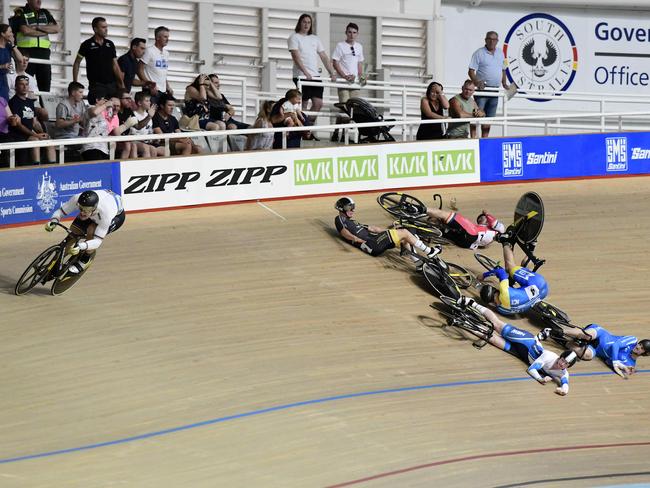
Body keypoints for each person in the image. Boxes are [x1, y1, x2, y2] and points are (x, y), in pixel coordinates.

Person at [455, 296, 576, 396]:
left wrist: (563, 390)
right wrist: (540, 379)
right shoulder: (549, 356)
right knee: (497, 324)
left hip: (520, 354)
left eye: (565, 364)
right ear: (560, 357)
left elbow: (565, 383)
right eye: (562, 360)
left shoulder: (563, 373)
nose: (562, 364)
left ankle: (463, 322)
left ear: (568, 366)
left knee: (491, 339)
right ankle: (472, 302)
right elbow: (531, 369)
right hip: (525, 340)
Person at [334, 197, 440, 265]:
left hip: (375, 241)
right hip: (371, 244)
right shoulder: (339, 219)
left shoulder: (354, 223)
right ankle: (429, 251)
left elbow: (375, 229)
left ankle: (418, 264)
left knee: (403, 237)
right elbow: (344, 232)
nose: (353, 210)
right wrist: (357, 240)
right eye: (350, 207)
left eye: (353, 207)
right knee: (404, 233)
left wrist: (392, 230)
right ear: (341, 208)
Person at [44, 189, 125, 274]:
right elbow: (60, 212)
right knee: (73, 233)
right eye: (80, 208)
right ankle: (56, 262)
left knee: (91, 230)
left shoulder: (106, 213)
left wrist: (81, 246)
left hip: (117, 217)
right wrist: (54, 220)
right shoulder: (77, 198)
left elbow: (98, 241)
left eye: (85, 210)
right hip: (96, 210)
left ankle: (85, 259)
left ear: (94, 208)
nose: (82, 212)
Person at [544, 325, 650, 380]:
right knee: (587, 335)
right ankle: (557, 331)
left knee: (587, 355)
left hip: (596, 350)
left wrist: (619, 366)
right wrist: (615, 361)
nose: (638, 346)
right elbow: (615, 345)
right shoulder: (633, 340)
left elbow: (608, 361)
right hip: (601, 335)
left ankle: (560, 339)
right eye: (640, 344)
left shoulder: (630, 364)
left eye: (641, 348)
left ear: (644, 353)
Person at [288, 13, 336, 124]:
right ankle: (304, 131)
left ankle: (307, 127)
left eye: (309, 22)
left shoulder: (315, 38)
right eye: (304, 22)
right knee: (303, 104)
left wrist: (332, 72)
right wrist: (305, 72)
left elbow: (323, 56)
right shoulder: (294, 37)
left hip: (315, 76)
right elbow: (296, 56)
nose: (306, 24)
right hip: (301, 75)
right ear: (300, 23)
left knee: (318, 103)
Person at [479, 241, 548, 315]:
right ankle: (506, 242)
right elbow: (501, 272)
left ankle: (526, 261)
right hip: (539, 283)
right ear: (494, 292)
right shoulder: (504, 292)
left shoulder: (501, 310)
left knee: (517, 288)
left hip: (541, 295)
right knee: (509, 268)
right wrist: (484, 275)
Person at [468, 31, 515, 138]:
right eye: (489, 39)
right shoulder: (479, 53)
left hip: (495, 90)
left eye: (494, 39)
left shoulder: (501, 53)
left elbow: (504, 70)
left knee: (489, 118)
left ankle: (485, 140)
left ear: (497, 41)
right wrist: (477, 82)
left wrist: (504, 83)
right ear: (485, 40)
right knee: (476, 115)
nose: (492, 41)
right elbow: (471, 71)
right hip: (482, 90)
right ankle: (473, 139)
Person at [73, 17, 124, 104]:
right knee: (99, 111)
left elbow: (115, 65)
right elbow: (77, 63)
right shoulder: (86, 44)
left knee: (113, 111)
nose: (106, 30)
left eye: (106, 27)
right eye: (103, 27)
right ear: (95, 29)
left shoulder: (110, 44)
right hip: (96, 85)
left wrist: (122, 84)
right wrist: (75, 82)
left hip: (111, 85)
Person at [13, 0, 59, 92]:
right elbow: (25, 31)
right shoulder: (21, 12)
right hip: (26, 54)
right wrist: (46, 30)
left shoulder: (45, 13)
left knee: (45, 87)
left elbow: (56, 28)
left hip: (44, 55)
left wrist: (38, 28)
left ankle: (43, 106)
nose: (39, 1)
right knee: (25, 86)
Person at [331, 22, 365, 141]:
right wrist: (345, 76)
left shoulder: (359, 47)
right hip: (343, 82)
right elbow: (335, 62)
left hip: (355, 83)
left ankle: (338, 133)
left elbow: (360, 63)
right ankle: (342, 136)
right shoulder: (340, 46)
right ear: (346, 33)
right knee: (345, 108)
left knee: (353, 109)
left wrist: (362, 77)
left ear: (357, 34)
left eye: (354, 32)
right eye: (349, 32)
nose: (352, 35)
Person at [8, 75, 53, 165]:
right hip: (19, 136)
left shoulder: (30, 102)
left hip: (30, 134)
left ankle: (53, 168)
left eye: (26, 84)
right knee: (35, 140)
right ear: (16, 86)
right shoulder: (13, 102)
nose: (25, 87)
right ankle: (37, 169)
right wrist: (36, 135)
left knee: (49, 140)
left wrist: (42, 133)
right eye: (21, 84)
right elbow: (18, 125)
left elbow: (34, 122)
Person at [424, 205, 505, 249]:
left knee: (447, 216)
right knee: (443, 232)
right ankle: (423, 232)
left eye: (482, 217)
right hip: (466, 244)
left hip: (471, 234)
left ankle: (419, 209)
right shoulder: (488, 241)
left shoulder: (500, 229)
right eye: (479, 219)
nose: (480, 219)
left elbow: (494, 222)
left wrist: (486, 214)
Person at [138, 26, 172, 103]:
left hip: (163, 91)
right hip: (151, 91)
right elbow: (139, 69)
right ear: (157, 38)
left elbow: (163, 72)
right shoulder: (149, 51)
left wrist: (167, 86)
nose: (167, 39)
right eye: (165, 37)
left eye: (168, 37)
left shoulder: (166, 53)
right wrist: (149, 85)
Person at [52, 81, 85, 161]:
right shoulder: (63, 105)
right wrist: (74, 121)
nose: (82, 95)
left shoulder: (81, 103)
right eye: (80, 92)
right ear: (73, 93)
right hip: (63, 136)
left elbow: (83, 121)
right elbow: (59, 124)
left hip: (75, 136)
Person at [129, 91, 164, 158]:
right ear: (139, 103)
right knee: (146, 148)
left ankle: (152, 168)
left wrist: (155, 139)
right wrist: (149, 116)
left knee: (157, 150)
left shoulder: (149, 114)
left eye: (149, 101)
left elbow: (149, 130)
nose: (150, 103)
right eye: (147, 101)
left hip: (147, 142)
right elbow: (135, 131)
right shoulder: (133, 114)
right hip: (135, 141)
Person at [0, 24, 25, 103]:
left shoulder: (8, 46)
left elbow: (21, 60)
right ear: (2, 34)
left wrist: (13, 45)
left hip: (3, 80)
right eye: (10, 32)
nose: (12, 34)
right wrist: (2, 66)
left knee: (4, 103)